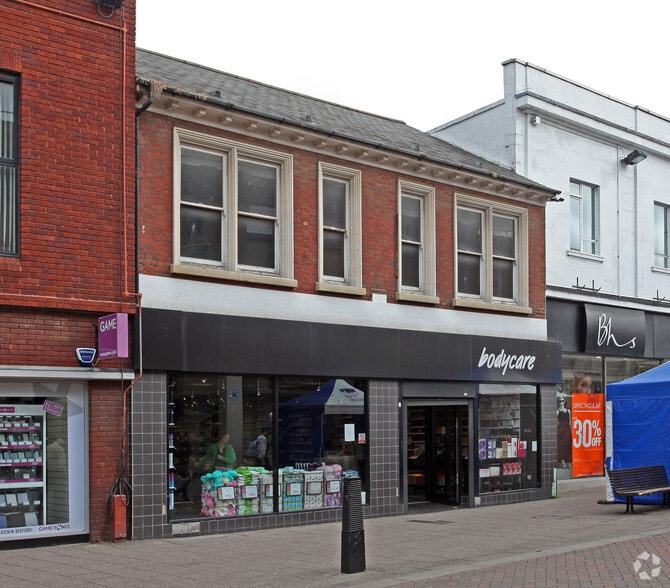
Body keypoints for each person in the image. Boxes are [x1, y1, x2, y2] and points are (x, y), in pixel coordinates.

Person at [556, 396, 571, 468]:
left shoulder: (568, 411)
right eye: (559, 401)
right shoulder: (557, 411)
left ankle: (567, 460)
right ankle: (562, 460)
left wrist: (571, 429)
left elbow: (570, 421)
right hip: (561, 428)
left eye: (562, 401)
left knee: (567, 444)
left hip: (567, 428)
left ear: (564, 402)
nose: (561, 403)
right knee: (561, 445)